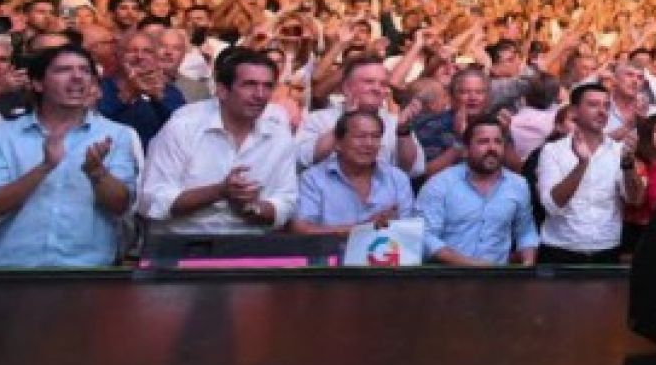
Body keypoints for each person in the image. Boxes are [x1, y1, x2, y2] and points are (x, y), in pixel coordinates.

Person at [0, 44, 140, 268]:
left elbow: (121, 206)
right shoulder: (0, 136)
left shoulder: (116, 135)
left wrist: (97, 173)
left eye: (85, 71)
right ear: (38, 83)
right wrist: (44, 167)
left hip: (88, 272)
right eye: (63, 70)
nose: (77, 77)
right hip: (11, 269)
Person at [139, 46, 300, 236]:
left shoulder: (278, 134)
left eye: (267, 86)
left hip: (250, 248)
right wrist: (219, 192)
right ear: (222, 90)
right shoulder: (183, 126)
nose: (260, 95)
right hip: (184, 246)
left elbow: (285, 203)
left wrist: (250, 207)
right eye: (249, 85)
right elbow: (151, 201)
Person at [534, 81, 640, 264]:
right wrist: (582, 164)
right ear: (574, 111)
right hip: (561, 250)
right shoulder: (552, 151)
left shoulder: (619, 150)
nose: (602, 111)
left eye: (606, 106)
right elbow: (552, 205)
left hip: (606, 250)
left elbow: (635, 199)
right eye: (593, 105)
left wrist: (629, 165)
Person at [416, 120, 538, 266]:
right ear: (466, 150)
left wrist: (528, 262)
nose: (492, 148)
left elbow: (526, 231)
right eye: (483, 142)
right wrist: (470, 264)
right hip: (448, 279)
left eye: (498, 142)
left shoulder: (518, 185)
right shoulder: (440, 184)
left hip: (497, 280)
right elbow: (425, 236)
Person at [290, 108, 414, 237]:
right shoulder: (313, 179)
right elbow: (301, 229)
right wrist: (362, 229)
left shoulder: (397, 179)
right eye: (360, 136)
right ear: (338, 143)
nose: (369, 144)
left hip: (387, 254)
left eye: (376, 137)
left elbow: (409, 232)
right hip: (331, 254)